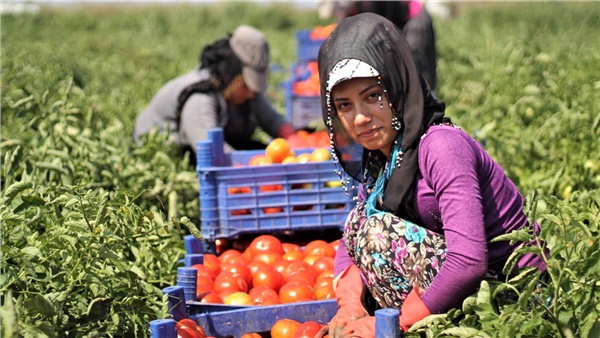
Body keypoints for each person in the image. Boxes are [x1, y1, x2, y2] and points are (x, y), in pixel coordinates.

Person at [315, 13, 548, 337]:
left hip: (514, 298)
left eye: (372, 97)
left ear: (398, 85)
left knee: (377, 231)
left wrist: (394, 323)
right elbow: (349, 245)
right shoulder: (383, 156)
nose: (360, 118)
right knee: (360, 224)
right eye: (344, 106)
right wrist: (350, 303)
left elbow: (468, 261)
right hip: (465, 288)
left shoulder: (440, 146)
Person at [133, 25, 295, 165]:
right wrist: (254, 167)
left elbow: (273, 120)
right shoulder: (200, 97)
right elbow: (212, 152)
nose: (252, 93)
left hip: (204, 145)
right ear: (233, 75)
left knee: (259, 150)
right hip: (168, 152)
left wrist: (296, 142)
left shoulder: (245, 92)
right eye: (246, 85)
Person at [320, 0, 437, 92]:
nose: (339, 17)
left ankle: (426, 108)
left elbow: (378, 35)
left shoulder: (369, 5)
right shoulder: (357, 10)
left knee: (415, 71)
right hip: (398, 23)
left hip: (413, 20)